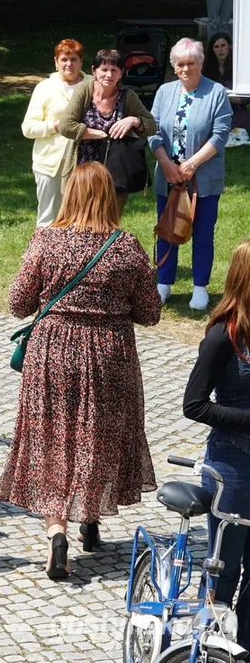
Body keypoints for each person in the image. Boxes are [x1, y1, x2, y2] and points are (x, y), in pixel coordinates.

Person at [0, 162, 161, 580]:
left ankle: (57, 531)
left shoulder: (47, 240)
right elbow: (151, 313)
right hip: (109, 354)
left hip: (52, 350)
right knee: (97, 434)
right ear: (109, 198)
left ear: (69, 194)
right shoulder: (125, 247)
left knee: (52, 436)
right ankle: (90, 518)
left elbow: (18, 302)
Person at [183, 239, 250, 650]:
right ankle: (210, 645)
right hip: (232, 466)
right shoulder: (222, 338)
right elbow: (194, 405)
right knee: (224, 567)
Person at [149, 37, 233, 310]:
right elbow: (153, 132)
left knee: (203, 232)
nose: (186, 69)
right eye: (180, 64)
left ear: (201, 63)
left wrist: (192, 164)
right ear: (174, 66)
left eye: (191, 63)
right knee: (167, 229)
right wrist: (166, 164)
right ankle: (163, 283)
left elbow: (220, 136)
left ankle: (200, 287)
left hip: (204, 178)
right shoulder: (164, 92)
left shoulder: (216, 92)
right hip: (168, 175)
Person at [58, 48, 157, 215]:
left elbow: (152, 125)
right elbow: (66, 125)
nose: (109, 75)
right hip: (83, 171)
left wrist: (134, 121)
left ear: (121, 73)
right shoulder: (84, 91)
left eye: (114, 70)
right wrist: (98, 134)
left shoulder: (127, 96)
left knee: (109, 223)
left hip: (115, 172)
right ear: (94, 71)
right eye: (104, 69)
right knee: (79, 221)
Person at [21, 38, 92, 226]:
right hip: (50, 162)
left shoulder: (93, 85)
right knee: (49, 217)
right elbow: (28, 128)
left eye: (74, 59)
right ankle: (41, 254)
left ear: (81, 62)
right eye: (64, 59)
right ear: (56, 62)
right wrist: (55, 126)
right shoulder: (44, 88)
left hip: (85, 159)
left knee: (82, 217)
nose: (69, 64)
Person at [203, 32, 248, 136]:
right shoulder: (207, 69)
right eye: (216, 47)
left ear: (230, 46)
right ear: (212, 50)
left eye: (223, 45)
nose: (220, 50)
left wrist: (231, 98)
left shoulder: (239, 67)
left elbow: (247, 95)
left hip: (235, 109)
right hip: (213, 109)